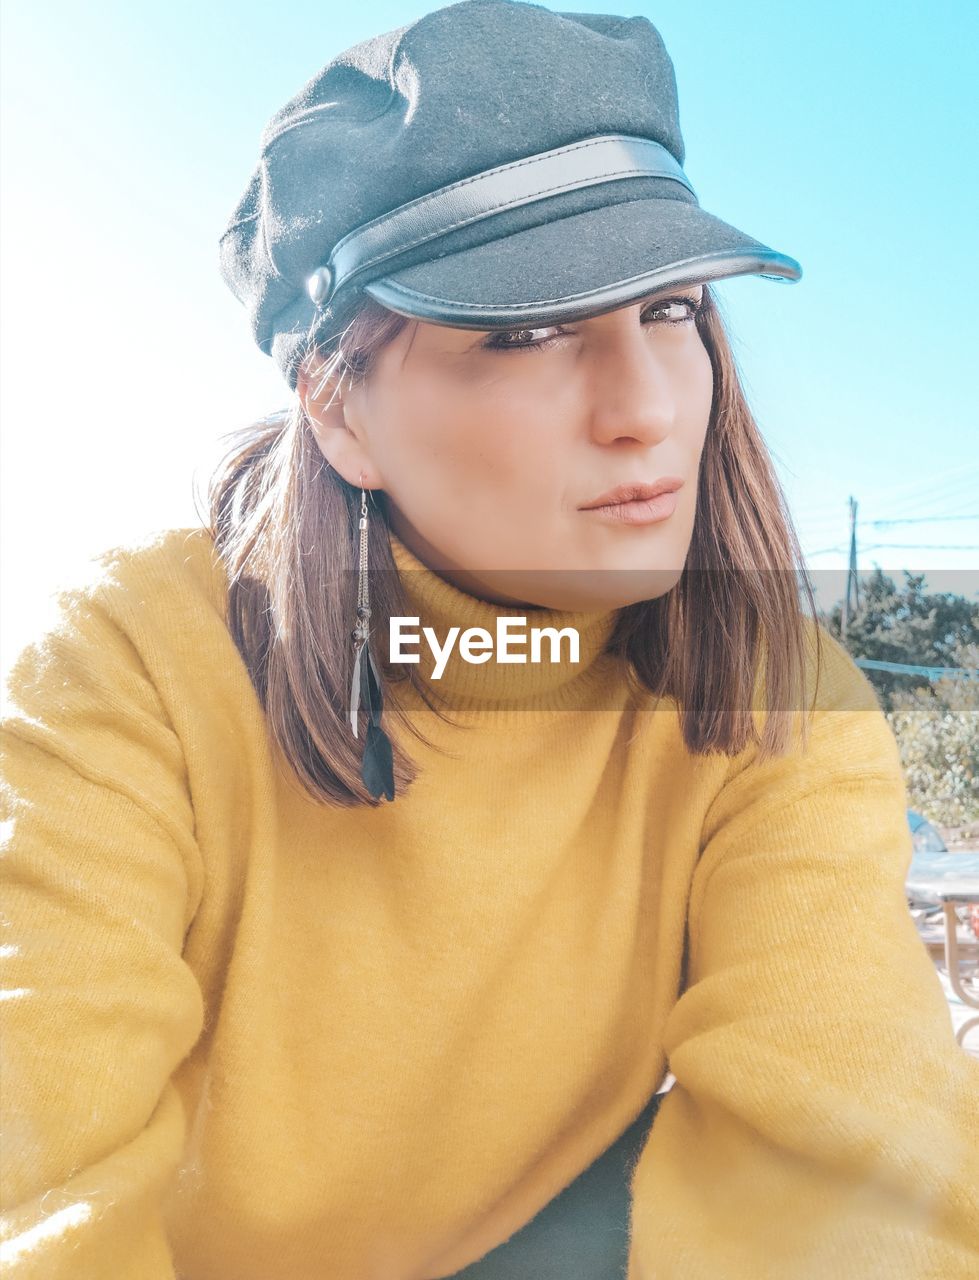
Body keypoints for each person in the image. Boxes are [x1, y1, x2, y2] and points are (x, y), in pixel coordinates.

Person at [1, 2, 977, 1277]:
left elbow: (848, 1180)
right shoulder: (130, 662)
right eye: (523, 330)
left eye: (671, 309)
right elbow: (36, 1188)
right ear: (338, 409)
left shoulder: (778, 692)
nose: (644, 409)